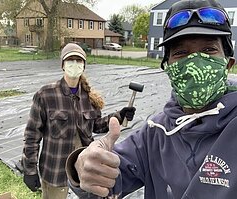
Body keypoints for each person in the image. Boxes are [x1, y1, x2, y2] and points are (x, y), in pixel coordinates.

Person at [65, 0, 237, 198]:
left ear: (228, 64)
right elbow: (103, 182)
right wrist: (82, 166)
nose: (194, 61)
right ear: (168, 68)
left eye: (208, 50)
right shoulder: (154, 133)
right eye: (181, 52)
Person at [21, 43, 136, 199]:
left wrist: (118, 116)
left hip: (84, 170)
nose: (74, 64)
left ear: (84, 65)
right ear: (63, 65)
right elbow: (32, 135)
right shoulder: (46, 95)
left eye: (79, 60)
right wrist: (30, 169)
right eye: (70, 60)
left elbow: (96, 125)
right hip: (55, 171)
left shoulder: (90, 98)